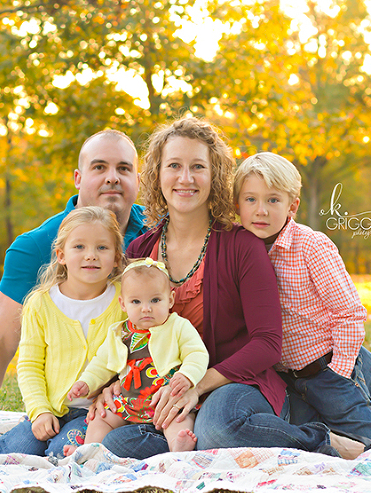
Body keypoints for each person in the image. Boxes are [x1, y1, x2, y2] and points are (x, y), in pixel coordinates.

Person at [94, 116, 354, 459]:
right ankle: (191, 443)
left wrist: (197, 386)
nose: (185, 178)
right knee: (117, 443)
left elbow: (268, 344)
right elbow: (130, 334)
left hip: (236, 382)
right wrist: (115, 383)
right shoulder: (140, 251)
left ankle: (322, 439)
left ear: (215, 175)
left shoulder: (241, 245)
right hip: (166, 391)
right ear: (157, 174)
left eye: (197, 167)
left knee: (218, 428)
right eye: (174, 165)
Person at [233, 151, 371, 448]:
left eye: (273, 200)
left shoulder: (312, 247)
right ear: (237, 205)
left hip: (327, 367)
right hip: (284, 377)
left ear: (292, 205)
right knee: (324, 436)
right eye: (251, 200)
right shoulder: (241, 250)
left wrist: (340, 370)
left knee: (369, 443)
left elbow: (349, 312)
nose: (261, 210)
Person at [0, 130, 147, 430]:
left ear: (138, 179)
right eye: (99, 167)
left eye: (123, 169)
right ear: (78, 178)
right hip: (64, 405)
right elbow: (3, 338)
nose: (112, 178)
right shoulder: (34, 247)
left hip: (135, 399)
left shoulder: (162, 232)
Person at [0, 206, 127, 457]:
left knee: (60, 453)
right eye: (79, 247)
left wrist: (118, 387)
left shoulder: (124, 300)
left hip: (94, 413)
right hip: (52, 407)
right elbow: (30, 365)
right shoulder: (41, 303)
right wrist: (40, 411)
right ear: (61, 254)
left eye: (102, 248)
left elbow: (137, 352)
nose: (91, 256)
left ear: (117, 258)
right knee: (13, 453)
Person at [65, 257, 209, 455]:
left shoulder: (177, 326)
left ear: (171, 300)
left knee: (178, 417)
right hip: (128, 399)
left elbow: (197, 353)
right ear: (123, 304)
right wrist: (87, 382)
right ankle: (89, 450)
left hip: (165, 398)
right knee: (102, 417)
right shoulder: (119, 333)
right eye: (136, 301)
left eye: (155, 300)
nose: (146, 308)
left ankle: (178, 446)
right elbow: (101, 363)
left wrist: (187, 376)